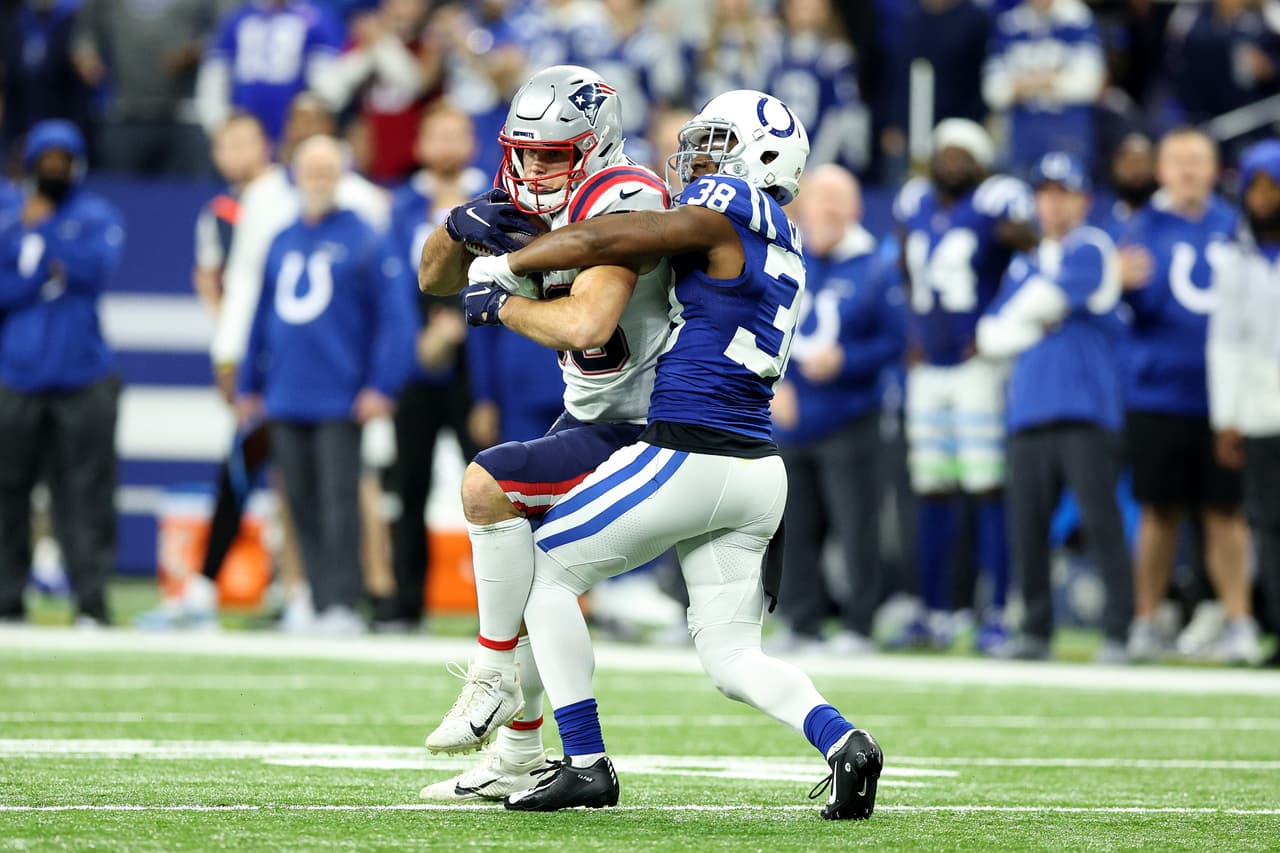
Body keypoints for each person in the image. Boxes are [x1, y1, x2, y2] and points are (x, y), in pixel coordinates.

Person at [466, 89, 883, 820]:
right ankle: (844, 741)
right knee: (731, 658)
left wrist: (509, 273)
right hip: (758, 468)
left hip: (693, 450)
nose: (700, 155)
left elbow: (608, 240)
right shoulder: (784, 237)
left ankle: (586, 761)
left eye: (719, 142)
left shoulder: (730, 205)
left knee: (546, 572)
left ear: (759, 157)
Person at [415, 65, 673, 802]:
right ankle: (521, 750)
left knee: (485, 485)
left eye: (551, 153)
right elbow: (434, 278)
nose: (532, 168)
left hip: (645, 419)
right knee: (522, 571)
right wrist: (456, 226)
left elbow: (588, 322)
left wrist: (500, 299)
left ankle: (493, 671)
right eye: (522, 151)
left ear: (594, 146)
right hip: (592, 412)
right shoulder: (522, 194)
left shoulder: (625, 196)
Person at [235, 135, 415, 634]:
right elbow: (261, 316)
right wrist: (249, 381)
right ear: (294, 174)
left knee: (341, 503)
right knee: (299, 502)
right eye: (309, 169)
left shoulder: (367, 236)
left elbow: (395, 320)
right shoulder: (282, 237)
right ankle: (315, 599)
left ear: (342, 175)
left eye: (326, 169)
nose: (317, 179)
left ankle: (342, 601)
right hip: (285, 393)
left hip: (340, 395)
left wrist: (383, 384)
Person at [976, 151, 1133, 662]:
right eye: (1046, 194)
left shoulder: (1091, 247)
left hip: (1086, 410)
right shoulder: (1025, 263)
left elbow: (1037, 307)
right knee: (1027, 527)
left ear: (1083, 200)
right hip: (1029, 412)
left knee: (1102, 521)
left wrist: (1028, 320)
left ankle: (1119, 631)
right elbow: (989, 336)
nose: (1054, 204)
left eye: (1064, 194)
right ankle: (1037, 630)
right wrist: (1031, 321)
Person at [893, 118, 1037, 651]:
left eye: (964, 152)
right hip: (928, 365)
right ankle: (932, 610)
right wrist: (913, 327)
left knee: (986, 487)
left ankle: (999, 609)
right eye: (945, 151)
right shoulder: (915, 202)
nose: (952, 160)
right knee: (931, 488)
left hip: (978, 365)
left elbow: (1032, 252)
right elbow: (907, 268)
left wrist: (997, 323)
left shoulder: (998, 199)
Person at [1118, 127, 1259, 664]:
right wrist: (1117, 283)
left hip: (1223, 397)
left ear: (1214, 167)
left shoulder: (1236, 226)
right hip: (1157, 391)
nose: (1187, 171)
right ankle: (1147, 620)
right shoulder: (1137, 226)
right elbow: (1119, 308)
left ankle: (1240, 620)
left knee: (1226, 512)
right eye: (1177, 160)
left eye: (1197, 160)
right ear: (1161, 170)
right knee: (1159, 511)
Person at [770, 164, 905, 654]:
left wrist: (847, 360)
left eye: (837, 201)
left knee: (856, 527)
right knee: (794, 527)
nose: (826, 211)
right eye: (819, 200)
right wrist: (774, 385)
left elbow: (897, 341)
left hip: (852, 415)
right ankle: (802, 620)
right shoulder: (786, 261)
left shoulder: (875, 264)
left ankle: (859, 624)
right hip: (793, 416)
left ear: (855, 209)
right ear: (803, 206)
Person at [0, 120, 125, 626]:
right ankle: (7, 596)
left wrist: (44, 231)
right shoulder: (9, 216)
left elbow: (95, 271)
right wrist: (40, 268)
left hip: (83, 377)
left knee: (86, 494)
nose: (53, 168)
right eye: (45, 160)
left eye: (62, 160)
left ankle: (90, 598)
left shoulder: (96, 214)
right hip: (16, 376)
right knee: (8, 493)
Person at [379, 102, 487, 630]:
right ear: (419, 145)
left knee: (493, 488)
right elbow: (394, 286)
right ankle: (405, 603)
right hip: (416, 368)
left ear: (472, 143)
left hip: (477, 366)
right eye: (435, 135)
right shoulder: (402, 205)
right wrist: (418, 344)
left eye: (455, 134)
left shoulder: (495, 197)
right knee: (408, 487)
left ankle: (499, 610)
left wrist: (462, 326)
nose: (445, 146)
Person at [1206, 138, 1280, 668]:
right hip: (1258, 410)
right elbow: (1225, 342)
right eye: (1253, 186)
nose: (1262, 197)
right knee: (1268, 523)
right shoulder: (1234, 258)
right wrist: (1226, 418)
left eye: (1271, 186)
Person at [71, 0, 224, 175]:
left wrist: (196, 51)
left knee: (188, 191)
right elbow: (85, 31)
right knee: (119, 189)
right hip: (124, 113)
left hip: (181, 115)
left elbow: (222, 29)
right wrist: (86, 55)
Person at [982, 0, 1105, 174]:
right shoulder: (1010, 24)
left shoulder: (1077, 18)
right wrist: (1053, 78)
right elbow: (993, 92)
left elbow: (1089, 85)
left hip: (1069, 136)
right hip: (1021, 140)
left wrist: (1025, 83)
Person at [196, 0, 342, 143]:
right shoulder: (237, 18)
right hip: (245, 123)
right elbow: (215, 74)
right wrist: (217, 121)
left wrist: (316, 111)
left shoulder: (315, 18)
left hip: (294, 125)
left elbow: (327, 82)